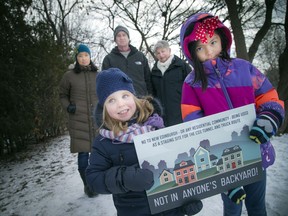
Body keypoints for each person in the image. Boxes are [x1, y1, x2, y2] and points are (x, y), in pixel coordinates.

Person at [179, 12, 284, 216]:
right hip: (222, 163)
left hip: (255, 150)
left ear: (222, 40)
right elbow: (194, 125)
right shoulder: (191, 84)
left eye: (213, 42)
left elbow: (268, 96)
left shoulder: (244, 69)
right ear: (192, 52)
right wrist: (218, 174)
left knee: (256, 205)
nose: (209, 51)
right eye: (200, 47)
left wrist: (270, 117)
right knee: (233, 208)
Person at [85, 68, 203, 216]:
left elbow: (174, 166)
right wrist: (125, 178)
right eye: (111, 100)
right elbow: (93, 178)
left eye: (125, 95)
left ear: (134, 97)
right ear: (104, 108)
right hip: (134, 210)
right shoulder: (104, 142)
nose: (121, 104)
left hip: (170, 210)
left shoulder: (156, 127)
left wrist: (186, 201)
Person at [59, 44, 98, 198]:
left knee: (98, 154)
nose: (83, 58)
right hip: (79, 120)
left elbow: (103, 93)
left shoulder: (97, 74)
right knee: (83, 155)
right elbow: (62, 94)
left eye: (86, 55)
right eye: (80, 56)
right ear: (77, 58)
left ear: (90, 57)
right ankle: (87, 185)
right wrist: (68, 107)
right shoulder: (69, 76)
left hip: (96, 119)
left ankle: (97, 182)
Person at [102, 25, 153, 96]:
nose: (122, 38)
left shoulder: (140, 56)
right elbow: (105, 82)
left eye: (124, 35)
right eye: (118, 36)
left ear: (128, 38)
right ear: (115, 40)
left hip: (141, 99)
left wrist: (150, 97)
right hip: (120, 101)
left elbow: (148, 80)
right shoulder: (109, 59)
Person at [151, 40, 191, 126]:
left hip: (181, 112)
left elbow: (191, 86)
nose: (161, 55)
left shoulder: (181, 66)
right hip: (163, 116)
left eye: (163, 51)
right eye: (158, 53)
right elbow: (153, 93)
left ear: (169, 50)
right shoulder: (154, 72)